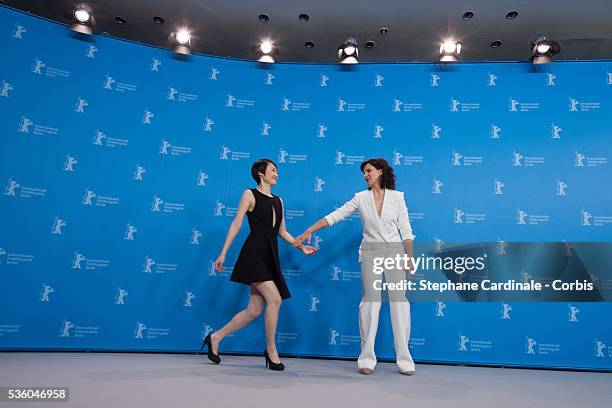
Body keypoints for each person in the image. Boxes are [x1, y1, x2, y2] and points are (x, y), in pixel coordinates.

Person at [294, 158, 416, 375]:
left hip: (395, 253)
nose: (365, 175)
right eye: (364, 173)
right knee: (370, 302)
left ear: (380, 172)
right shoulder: (361, 198)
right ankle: (367, 359)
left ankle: (405, 360)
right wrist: (309, 230)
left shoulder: (398, 198)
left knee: (399, 303)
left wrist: (409, 257)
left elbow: (406, 229)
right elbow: (336, 215)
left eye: (369, 171)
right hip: (369, 253)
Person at [201, 159, 317, 371]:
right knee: (275, 299)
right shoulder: (249, 194)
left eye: (277, 170)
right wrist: (223, 252)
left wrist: (301, 247)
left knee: (254, 310)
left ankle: (215, 337)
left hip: (270, 255)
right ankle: (271, 350)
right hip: (253, 253)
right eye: (273, 170)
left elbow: (282, 232)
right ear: (260, 174)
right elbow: (236, 223)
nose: (277, 173)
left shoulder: (279, 201)